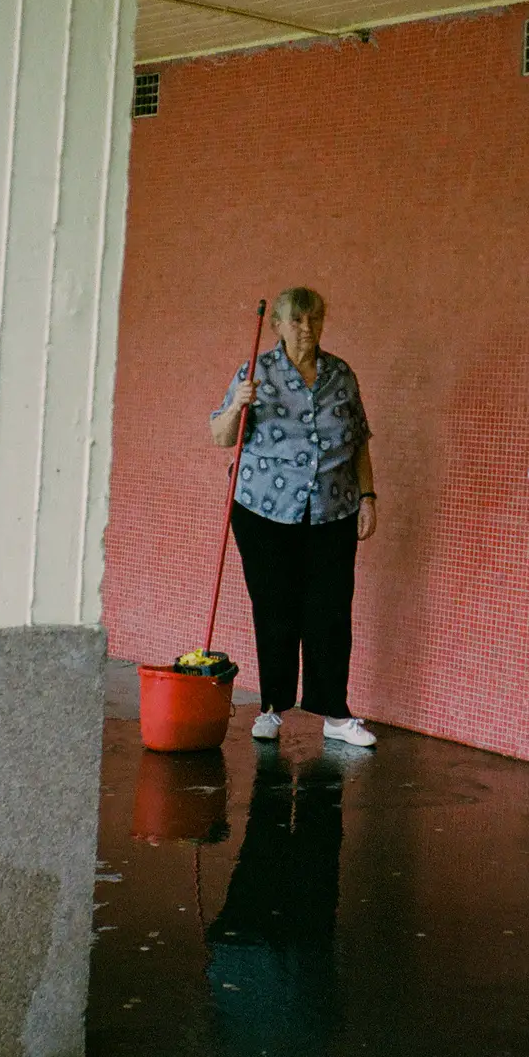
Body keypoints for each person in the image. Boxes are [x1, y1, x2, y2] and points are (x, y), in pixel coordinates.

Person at [210, 287, 377, 747]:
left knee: (330, 610)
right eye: (297, 320)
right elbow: (220, 436)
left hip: (331, 508)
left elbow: (360, 440)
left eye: (314, 319)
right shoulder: (255, 372)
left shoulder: (340, 374)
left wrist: (368, 497)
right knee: (275, 607)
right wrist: (236, 406)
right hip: (263, 511)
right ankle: (270, 707)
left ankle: (335, 713)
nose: (307, 328)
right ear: (277, 325)